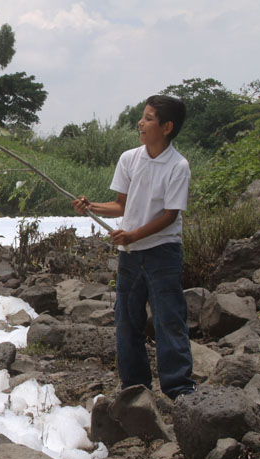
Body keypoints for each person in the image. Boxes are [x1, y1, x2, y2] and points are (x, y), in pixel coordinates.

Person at [72, 95, 196, 400]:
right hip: (130, 255)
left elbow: (170, 215)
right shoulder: (129, 158)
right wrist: (91, 207)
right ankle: (134, 387)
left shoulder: (178, 166)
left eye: (149, 118)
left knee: (169, 319)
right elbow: (120, 205)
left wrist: (133, 235)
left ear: (167, 127)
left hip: (163, 252)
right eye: (143, 117)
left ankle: (179, 389)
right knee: (126, 321)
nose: (141, 123)